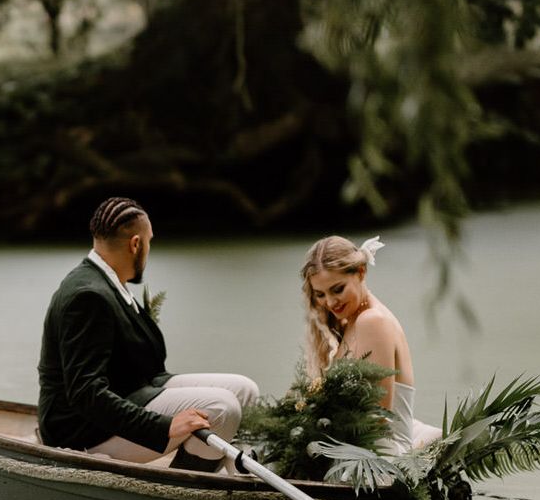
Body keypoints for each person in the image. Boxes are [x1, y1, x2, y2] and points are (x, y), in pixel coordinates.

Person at [38, 197, 259, 471]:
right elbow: (85, 393)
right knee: (223, 407)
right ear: (136, 244)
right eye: (149, 241)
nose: (149, 249)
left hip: (134, 392)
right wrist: (165, 425)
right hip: (83, 430)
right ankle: (187, 493)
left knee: (244, 391)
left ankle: (238, 473)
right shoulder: (88, 296)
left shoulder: (108, 280)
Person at [299, 234, 441, 454]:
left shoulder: (372, 321)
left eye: (338, 289)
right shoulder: (351, 319)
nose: (330, 302)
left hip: (376, 456)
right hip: (359, 447)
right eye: (320, 294)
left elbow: (377, 419)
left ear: (361, 272)